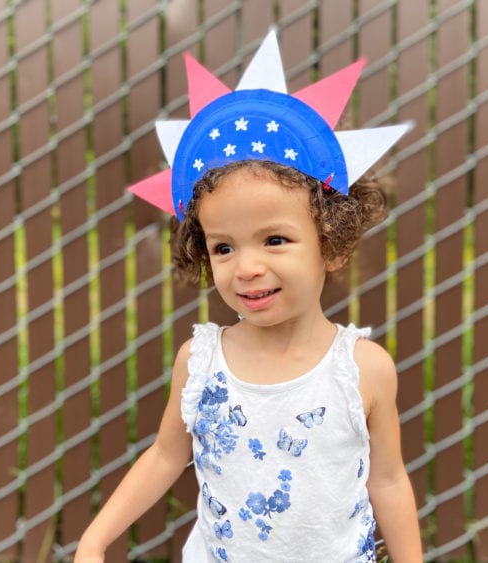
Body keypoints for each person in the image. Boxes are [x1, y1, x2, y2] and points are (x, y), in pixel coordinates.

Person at [75, 28, 422, 562]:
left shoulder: (362, 370)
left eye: (275, 240)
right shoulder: (201, 363)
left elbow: (390, 481)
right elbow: (167, 456)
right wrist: (96, 540)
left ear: (331, 244)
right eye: (224, 247)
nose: (248, 267)